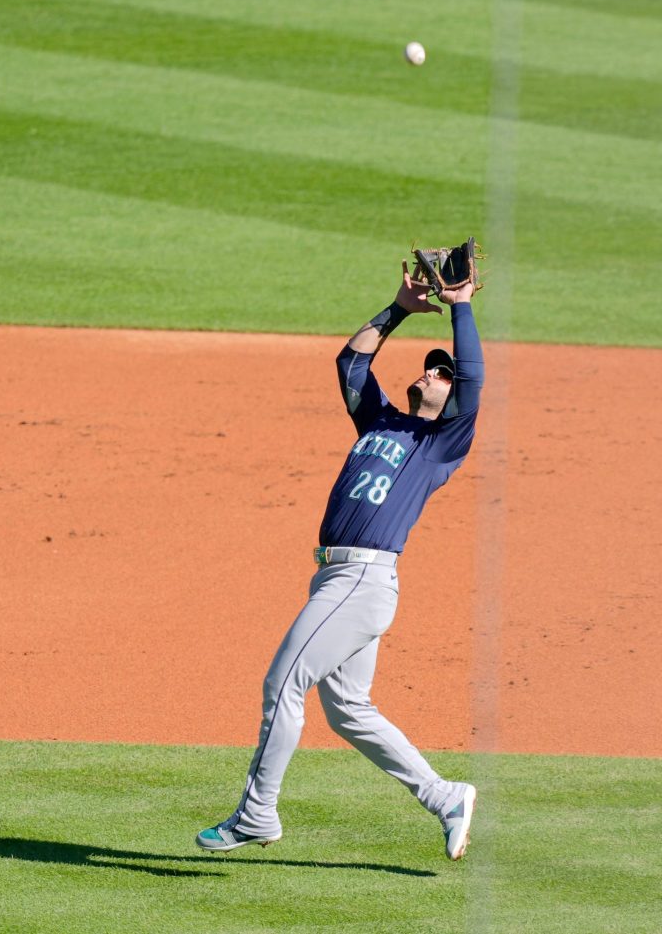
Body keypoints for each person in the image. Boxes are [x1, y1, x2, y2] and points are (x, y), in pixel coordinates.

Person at [196, 260, 485, 861]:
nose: (431, 372)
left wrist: (460, 305)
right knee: (348, 709)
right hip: (335, 576)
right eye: (430, 365)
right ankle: (445, 797)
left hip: (362, 579)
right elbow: (350, 363)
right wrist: (400, 307)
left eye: (442, 372)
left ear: (450, 393)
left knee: (284, 683)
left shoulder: (440, 445)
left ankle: (257, 814)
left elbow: (476, 381)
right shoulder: (379, 419)